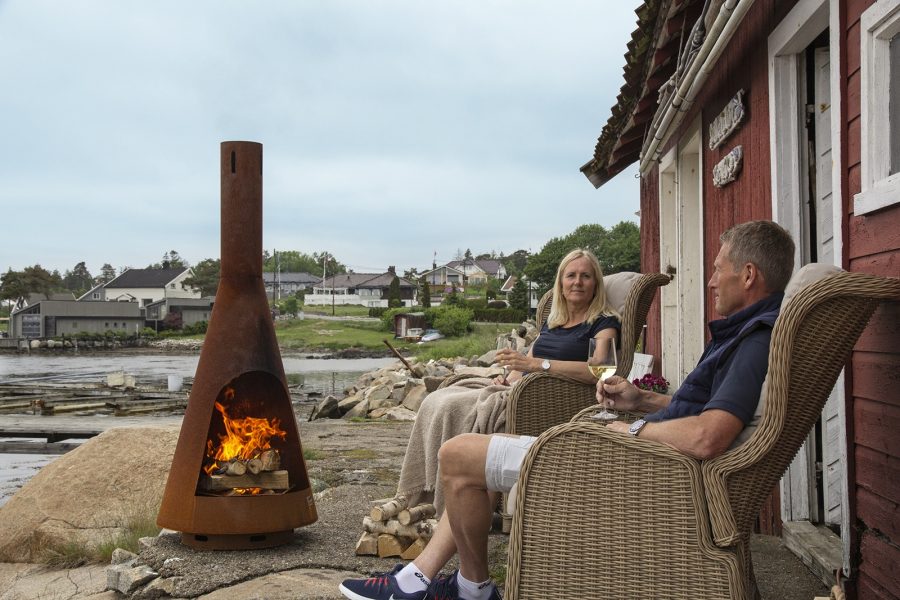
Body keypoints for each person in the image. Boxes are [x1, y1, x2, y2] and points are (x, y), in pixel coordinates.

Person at [338, 220, 795, 600]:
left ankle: (452, 587)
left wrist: (631, 432)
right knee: (461, 452)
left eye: (719, 270)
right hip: (641, 453)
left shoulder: (753, 340)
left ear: (749, 274)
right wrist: (642, 400)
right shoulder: (745, 334)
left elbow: (708, 436)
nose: (712, 280)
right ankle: (443, 583)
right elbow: (699, 411)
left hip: (645, 468)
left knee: (458, 456)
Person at [392, 248, 620, 514]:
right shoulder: (555, 321)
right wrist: (509, 376)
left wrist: (540, 366)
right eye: (571, 275)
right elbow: (529, 359)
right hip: (522, 387)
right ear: (561, 282)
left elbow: (597, 370)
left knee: (451, 407)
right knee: (435, 399)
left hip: (549, 399)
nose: (577, 282)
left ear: (596, 283)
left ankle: (448, 504)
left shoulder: (603, 322)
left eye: (585, 276)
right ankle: (421, 492)